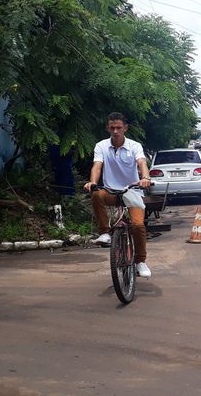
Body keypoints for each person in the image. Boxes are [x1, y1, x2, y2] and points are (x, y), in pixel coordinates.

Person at [84, 112, 152, 278]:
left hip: (132, 192)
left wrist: (145, 178)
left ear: (125, 128)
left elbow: (142, 163)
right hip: (111, 192)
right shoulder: (101, 146)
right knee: (96, 194)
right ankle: (105, 232)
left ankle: (140, 261)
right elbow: (97, 166)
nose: (115, 131)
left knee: (137, 225)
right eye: (112, 127)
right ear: (108, 128)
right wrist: (92, 182)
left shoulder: (134, 146)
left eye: (119, 128)